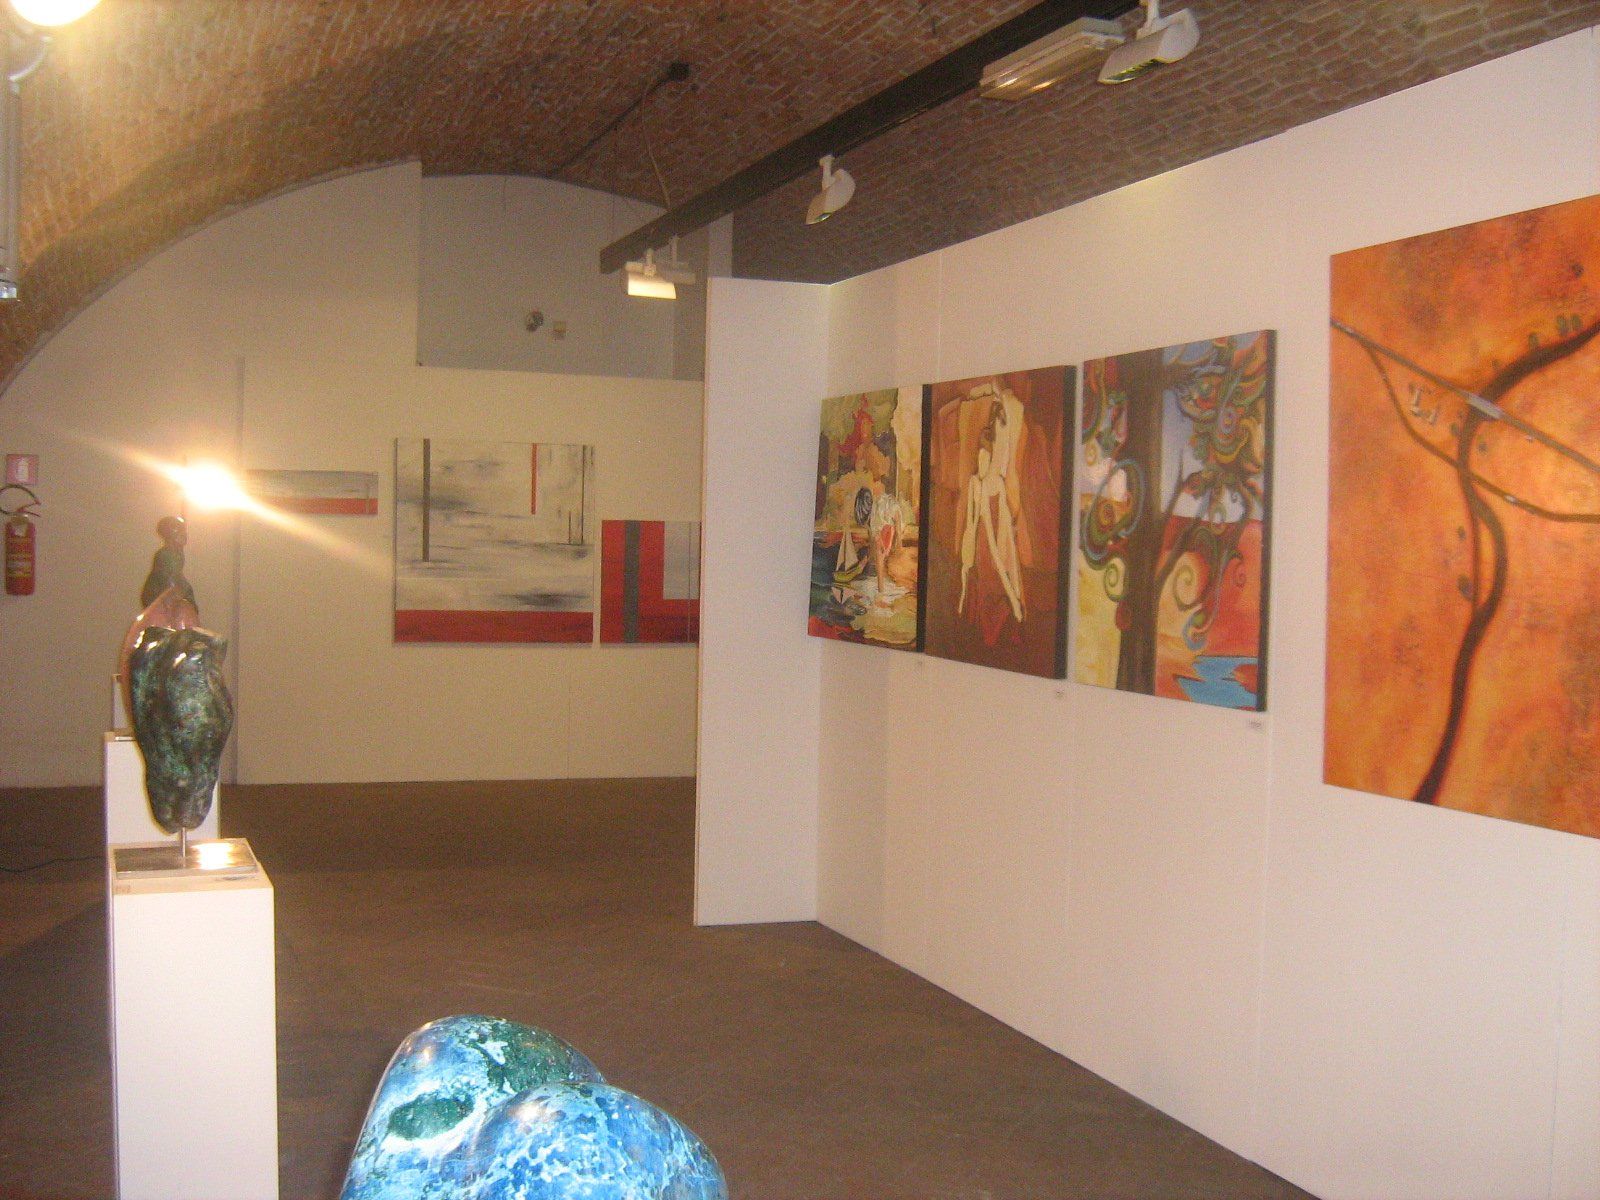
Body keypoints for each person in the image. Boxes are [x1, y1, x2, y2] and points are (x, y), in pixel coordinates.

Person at [140, 515, 197, 610]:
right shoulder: (165, 555)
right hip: (158, 595)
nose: (185, 535)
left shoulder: (178, 553)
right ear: (171, 535)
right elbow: (169, 580)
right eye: (181, 532)